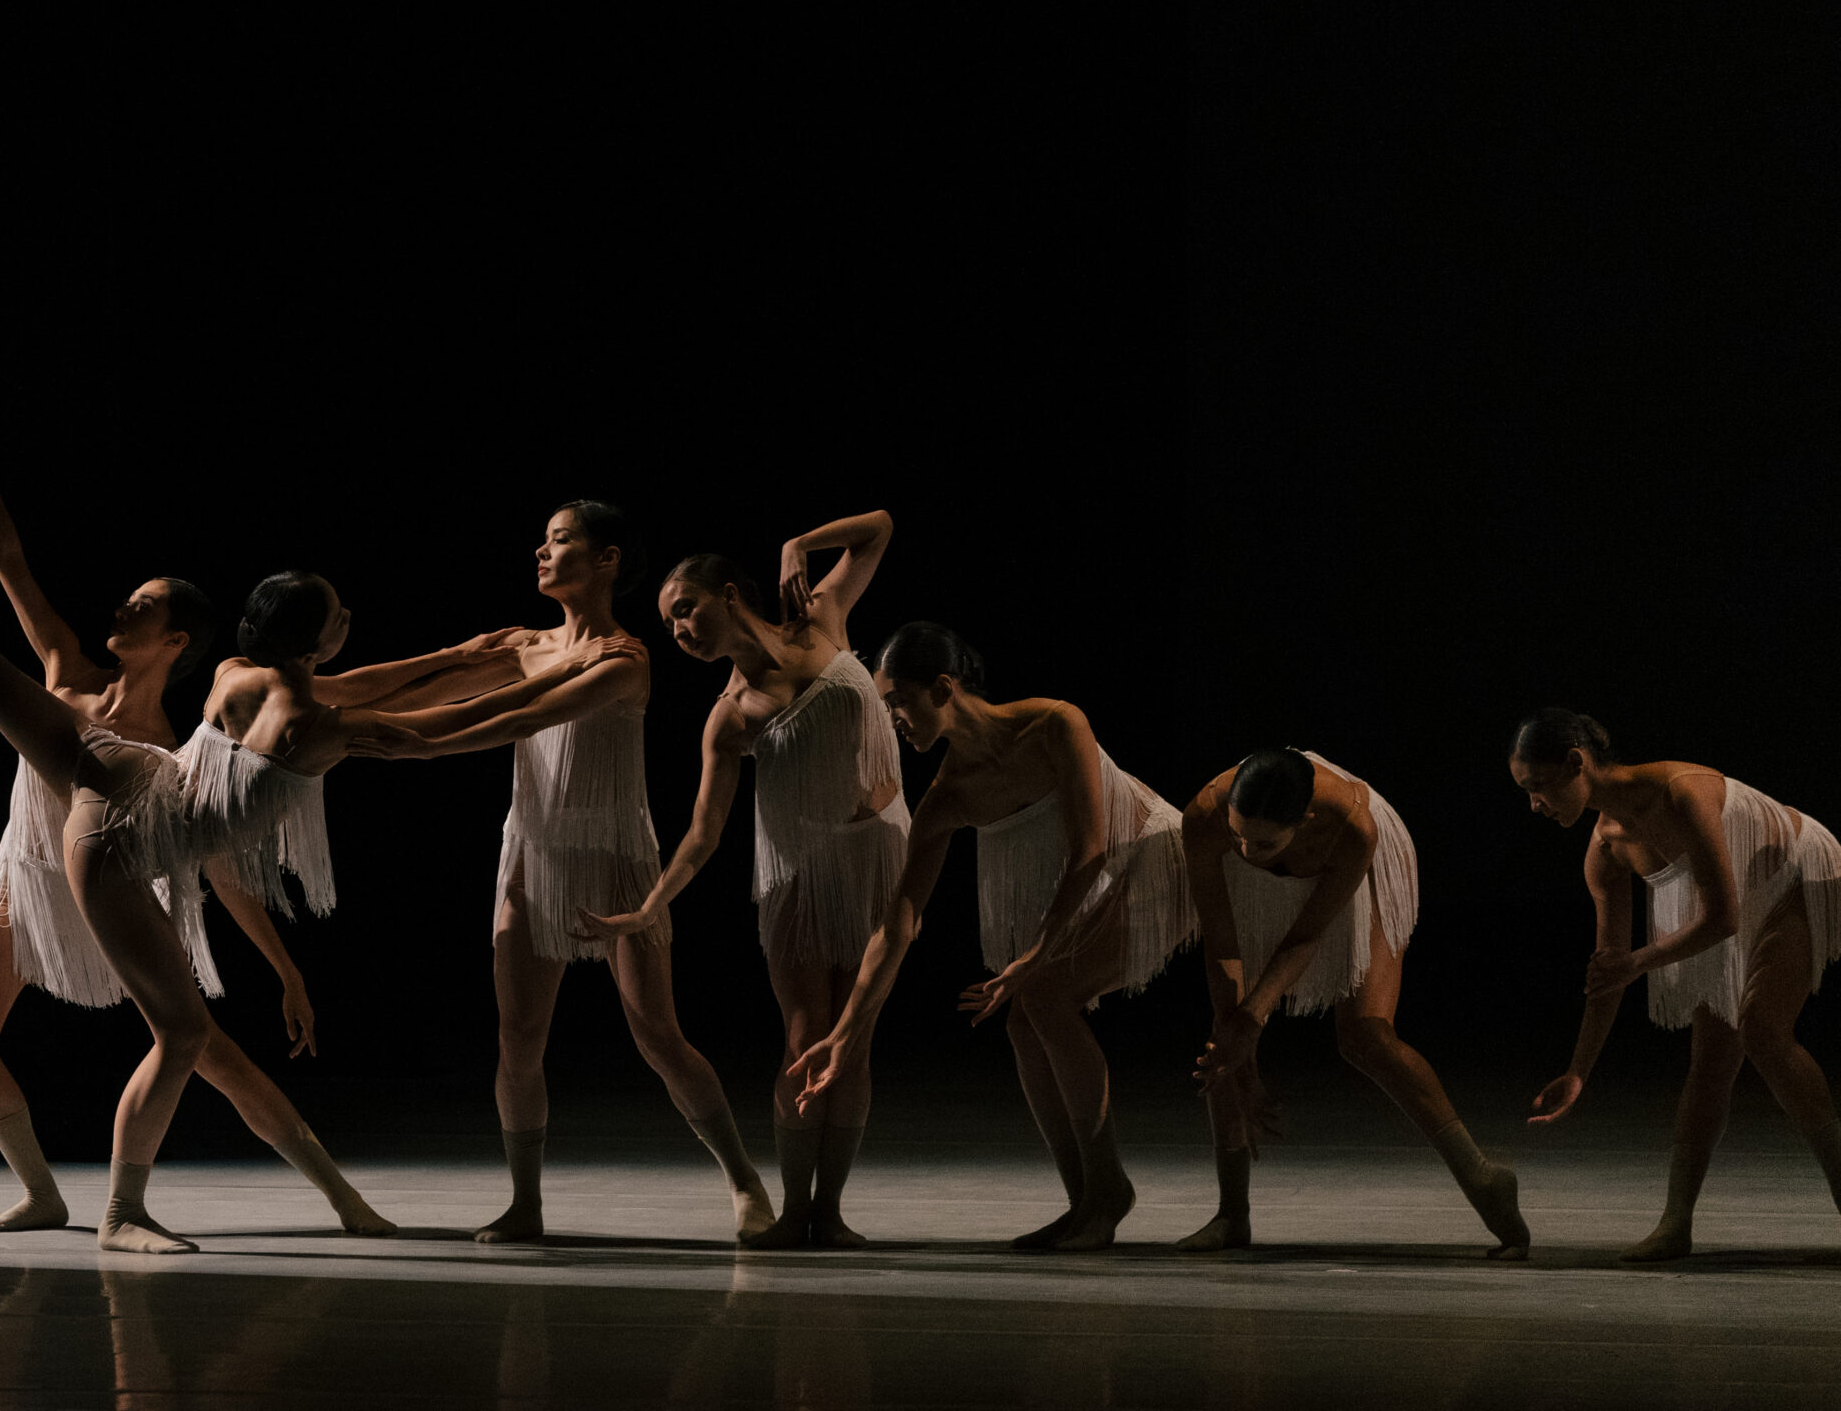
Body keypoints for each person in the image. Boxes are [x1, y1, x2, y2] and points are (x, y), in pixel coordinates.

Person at [0, 465, 630, 1252]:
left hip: (112, 779)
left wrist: (481, 653)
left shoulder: (236, 674)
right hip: (115, 844)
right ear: (318, 641)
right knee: (186, 1036)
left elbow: (390, 681)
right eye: (341, 617)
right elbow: (452, 725)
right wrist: (572, 674)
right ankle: (122, 1212)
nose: (350, 624)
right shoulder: (324, 727)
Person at [0, 409, 423, 1237]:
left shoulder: (168, 758)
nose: (121, 607)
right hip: (24, 876)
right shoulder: (63, 671)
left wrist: (284, 969)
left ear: (174, 640)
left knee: (205, 1048)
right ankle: (41, 1193)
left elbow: (219, 868)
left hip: (107, 890)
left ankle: (344, 1200)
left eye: (140, 606)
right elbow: (7, 562)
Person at [358, 502, 775, 1243]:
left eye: (559, 540)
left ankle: (745, 1182)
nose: (541, 551)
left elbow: (524, 718)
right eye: (544, 541)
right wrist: (334, 705)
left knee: (657, 1034)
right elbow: (431, 684)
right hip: (534, 852)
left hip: (615, 855)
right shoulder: (528, 644)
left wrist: (417, 747)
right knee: (518, 1039)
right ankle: (526, 1202)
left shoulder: (625, 658)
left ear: (607, 559)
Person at [788, 621, 1193, 1250]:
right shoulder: (949, 796)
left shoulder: (1054, 723)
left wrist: (1034, 956)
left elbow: (1091, 849)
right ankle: (1087, 1200)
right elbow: (897, 925)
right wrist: (844, 1034)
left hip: (1152, 859)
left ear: (942, 688)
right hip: (1095, 890)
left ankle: (1107, 1189)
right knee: (1023, 1020)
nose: (891, 720)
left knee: (1044, 997)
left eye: (897, 702)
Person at [578, 511, 907, 1248]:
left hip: (879, 858)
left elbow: (880, 528)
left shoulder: (820, 618)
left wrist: (798, 543)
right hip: (799, 871)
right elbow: (703, 832)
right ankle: (794, 1209)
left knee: (854, 1041)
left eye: (685, 609)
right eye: (668, 624)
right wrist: (648, 908)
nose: (679, 630)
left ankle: (832, 1212)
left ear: (729, 595)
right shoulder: (729, 716)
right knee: (804, 1035)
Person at [1509, 708, 1840, 1260]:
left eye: (1537, 786)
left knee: (1762, 1030)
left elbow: (1723, 918)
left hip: (1795, 872)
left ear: (1575, 763)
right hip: (1734, 898)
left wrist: (1637, 962)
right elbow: (1609, 968)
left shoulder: (1680, 793)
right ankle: (1675, 1223)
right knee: (1710, 1061)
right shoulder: (1605, 851)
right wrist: (1578, 1070)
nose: (1534, 804)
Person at [1181, 747, 1529, 1257]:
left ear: (1305, 820)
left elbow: (1305, 936)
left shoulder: (1352, 827)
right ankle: (1231, 1213)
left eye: (1263, 842)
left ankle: (1482, 1176)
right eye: (1238, 836)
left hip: (1357, 860)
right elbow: (1220, 939)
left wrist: (1253, 1018)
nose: (1248, 852)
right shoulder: (1205, 817)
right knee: (1225, 1037)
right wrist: (1238, 1039)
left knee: (1366, 1034)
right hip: (1277, 859)